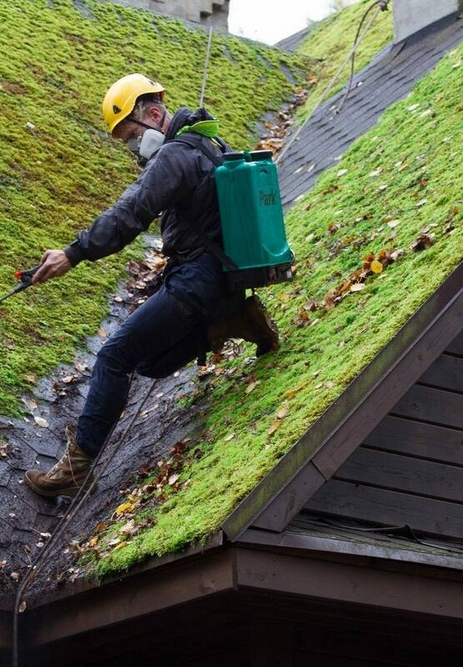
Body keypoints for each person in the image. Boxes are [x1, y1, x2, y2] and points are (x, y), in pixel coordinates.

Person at [24, 73, 279, 498]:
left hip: (197, 279)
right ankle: (236, 320)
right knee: (149, 364)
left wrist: (73, 252)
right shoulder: (205, 143)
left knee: (114, 354)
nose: (130, 149)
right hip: (219, 278)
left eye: (129, 137)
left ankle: (77, 466)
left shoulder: (176, 155)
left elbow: (131, 211)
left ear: (155, 114)